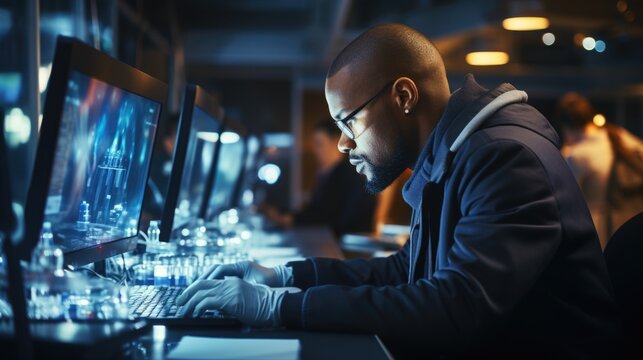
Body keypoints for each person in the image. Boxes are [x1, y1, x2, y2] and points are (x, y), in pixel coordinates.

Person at [175, 24, 622, 358]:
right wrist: (286, 278)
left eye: (348, 122)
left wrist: (281, 308)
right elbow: (405, 272)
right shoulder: (452, 154)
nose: (342, 144)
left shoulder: (504, 158)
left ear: (404, 97)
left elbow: (455, 308)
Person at [555, 92, 643, 249]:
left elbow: (565, 203)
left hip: (600, 234)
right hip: (633, 224)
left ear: (567, 126)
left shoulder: (577, 155)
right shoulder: (620, 136)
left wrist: (565, 151)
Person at [262, 120, 377, 238]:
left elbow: (326, 216)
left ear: (335, 142)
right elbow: (317, 210)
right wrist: (283, 213)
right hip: (334, 238)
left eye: (319, 144)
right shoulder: (329, 172)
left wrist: (286, 219)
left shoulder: (347, 174)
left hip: (345, 243)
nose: (315, 150)